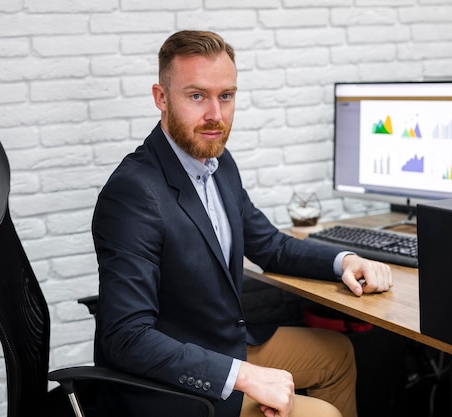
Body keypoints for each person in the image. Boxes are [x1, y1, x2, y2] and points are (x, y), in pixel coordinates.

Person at [92, 30, 393, 417]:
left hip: (224, 341)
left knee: (337, 355)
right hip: (171, 382)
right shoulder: (133, 193)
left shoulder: (216, 163)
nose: (215, 115)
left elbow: (271, 245)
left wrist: (346, 260)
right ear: (161, 98)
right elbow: (125, 338)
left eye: (226, 96)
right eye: (197, 96)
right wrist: (243, 376)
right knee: (325, 414)